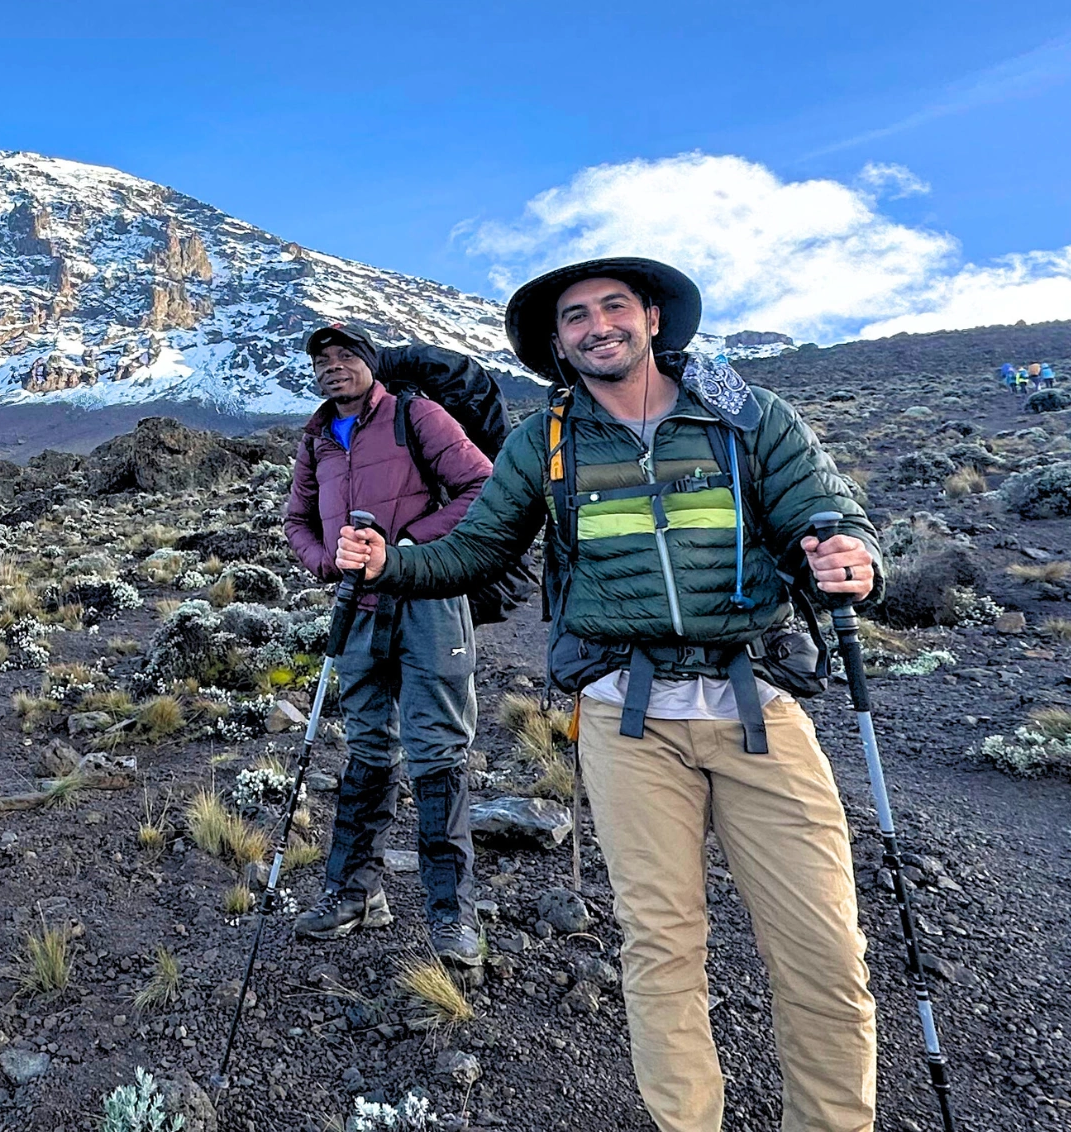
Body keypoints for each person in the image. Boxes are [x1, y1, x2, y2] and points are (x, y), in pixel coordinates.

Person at [333, 258, 886, 1132]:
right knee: (661, 947)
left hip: (758, 710)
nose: (597, 326)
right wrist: (391, 564)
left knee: (823, 950)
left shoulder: (747, 416)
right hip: (628, 721)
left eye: (613, 306)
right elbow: (479, 550)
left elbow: (826, 513)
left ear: (653, 318)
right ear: (557, 343)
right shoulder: (545, 440)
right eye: (576, 317)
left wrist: (853, 557)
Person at [279, 321, 497, 966]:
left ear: (372, 362)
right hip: (357, 608)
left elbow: (482, 486)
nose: (333, 365)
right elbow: (296, 520)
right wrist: (329, 562)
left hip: (428, 599)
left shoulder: (414, 415)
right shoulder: (318, 438)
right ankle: (355, 894)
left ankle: (452, 916)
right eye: (322, 358)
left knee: (437, 751)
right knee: (368, 746)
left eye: (346, 354)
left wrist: (404, 546)